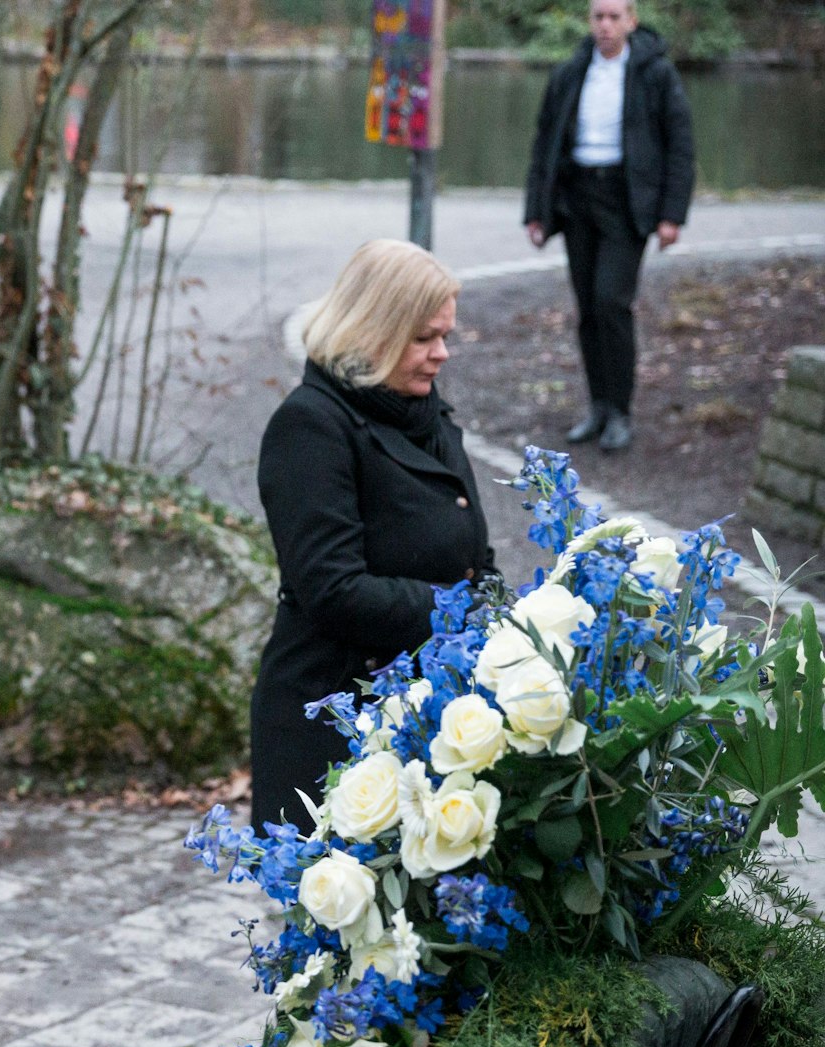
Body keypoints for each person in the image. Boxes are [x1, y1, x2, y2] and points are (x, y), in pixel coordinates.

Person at [249, 240, 496, 833]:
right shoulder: (310, 426)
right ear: (374, 330)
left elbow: (472, 556)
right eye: (423, 338)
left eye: (445, 336)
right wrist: (463, 612)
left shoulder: (425, 411)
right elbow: (332, 589)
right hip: (332, 726)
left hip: (424, 719)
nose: (440, 354)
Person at [523, 0, 696, 453]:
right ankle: (598, 406)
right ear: (590, 21)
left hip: (626, 200)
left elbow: (680, 145)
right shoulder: (571, 72)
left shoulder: (655, 75)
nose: (605, 25)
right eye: (598, 16)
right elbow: (545, 142)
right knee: (586, 306)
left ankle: (620, 410)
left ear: (631, 21)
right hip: (578, 197)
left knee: (611, 301)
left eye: (614, 16)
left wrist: (671, 214)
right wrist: (536, 210)